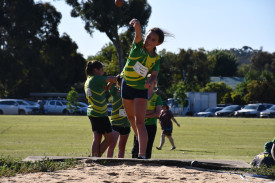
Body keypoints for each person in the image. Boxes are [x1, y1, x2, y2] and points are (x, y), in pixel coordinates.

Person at [121, 18, 169, 159]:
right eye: (148, 37)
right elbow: (138, 36)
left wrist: (151, 81)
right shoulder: (138, 47)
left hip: (140, 89)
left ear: (158, 43)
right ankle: (139, 140)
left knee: (140, 121)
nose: (149, 40)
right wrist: (137, 25)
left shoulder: (156, 59)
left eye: (153, 40)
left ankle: (142, 155)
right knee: (131, 119)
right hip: (126, 85)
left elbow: (154, 75)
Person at [84, 60, 118, 157]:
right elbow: (114, 78)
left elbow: (105, 89)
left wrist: (110, 83)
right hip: (100, 114)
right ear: (95, 70)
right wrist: (120, 77)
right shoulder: (96, 79)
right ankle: (97, 157)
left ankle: (94, 159)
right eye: (102, 70)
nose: (103, 72)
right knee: (110, 139)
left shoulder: (88, 80)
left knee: (97, 138)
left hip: (92, 112)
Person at [132, 78, 163, 159]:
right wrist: (149, 112)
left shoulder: (157, 98)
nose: (148, 83)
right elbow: (134, 111)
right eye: (146, 81)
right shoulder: (139, 96)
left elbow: (157, 113)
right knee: (135, 148)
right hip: (139, 125)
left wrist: (142, 114)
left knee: (148, 149)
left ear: (154, 83)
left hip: (151, 126)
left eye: (150, 81)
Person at [107, 76, 131, 158]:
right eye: (122, 82)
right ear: (118, 83)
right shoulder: (115, 91)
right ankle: (108, 161)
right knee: (111, 145)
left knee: (122, 146)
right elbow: (107, 88)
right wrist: (112, 81)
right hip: (116, 122)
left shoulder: (130, 92)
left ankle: (120, 162)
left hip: (126, 123)